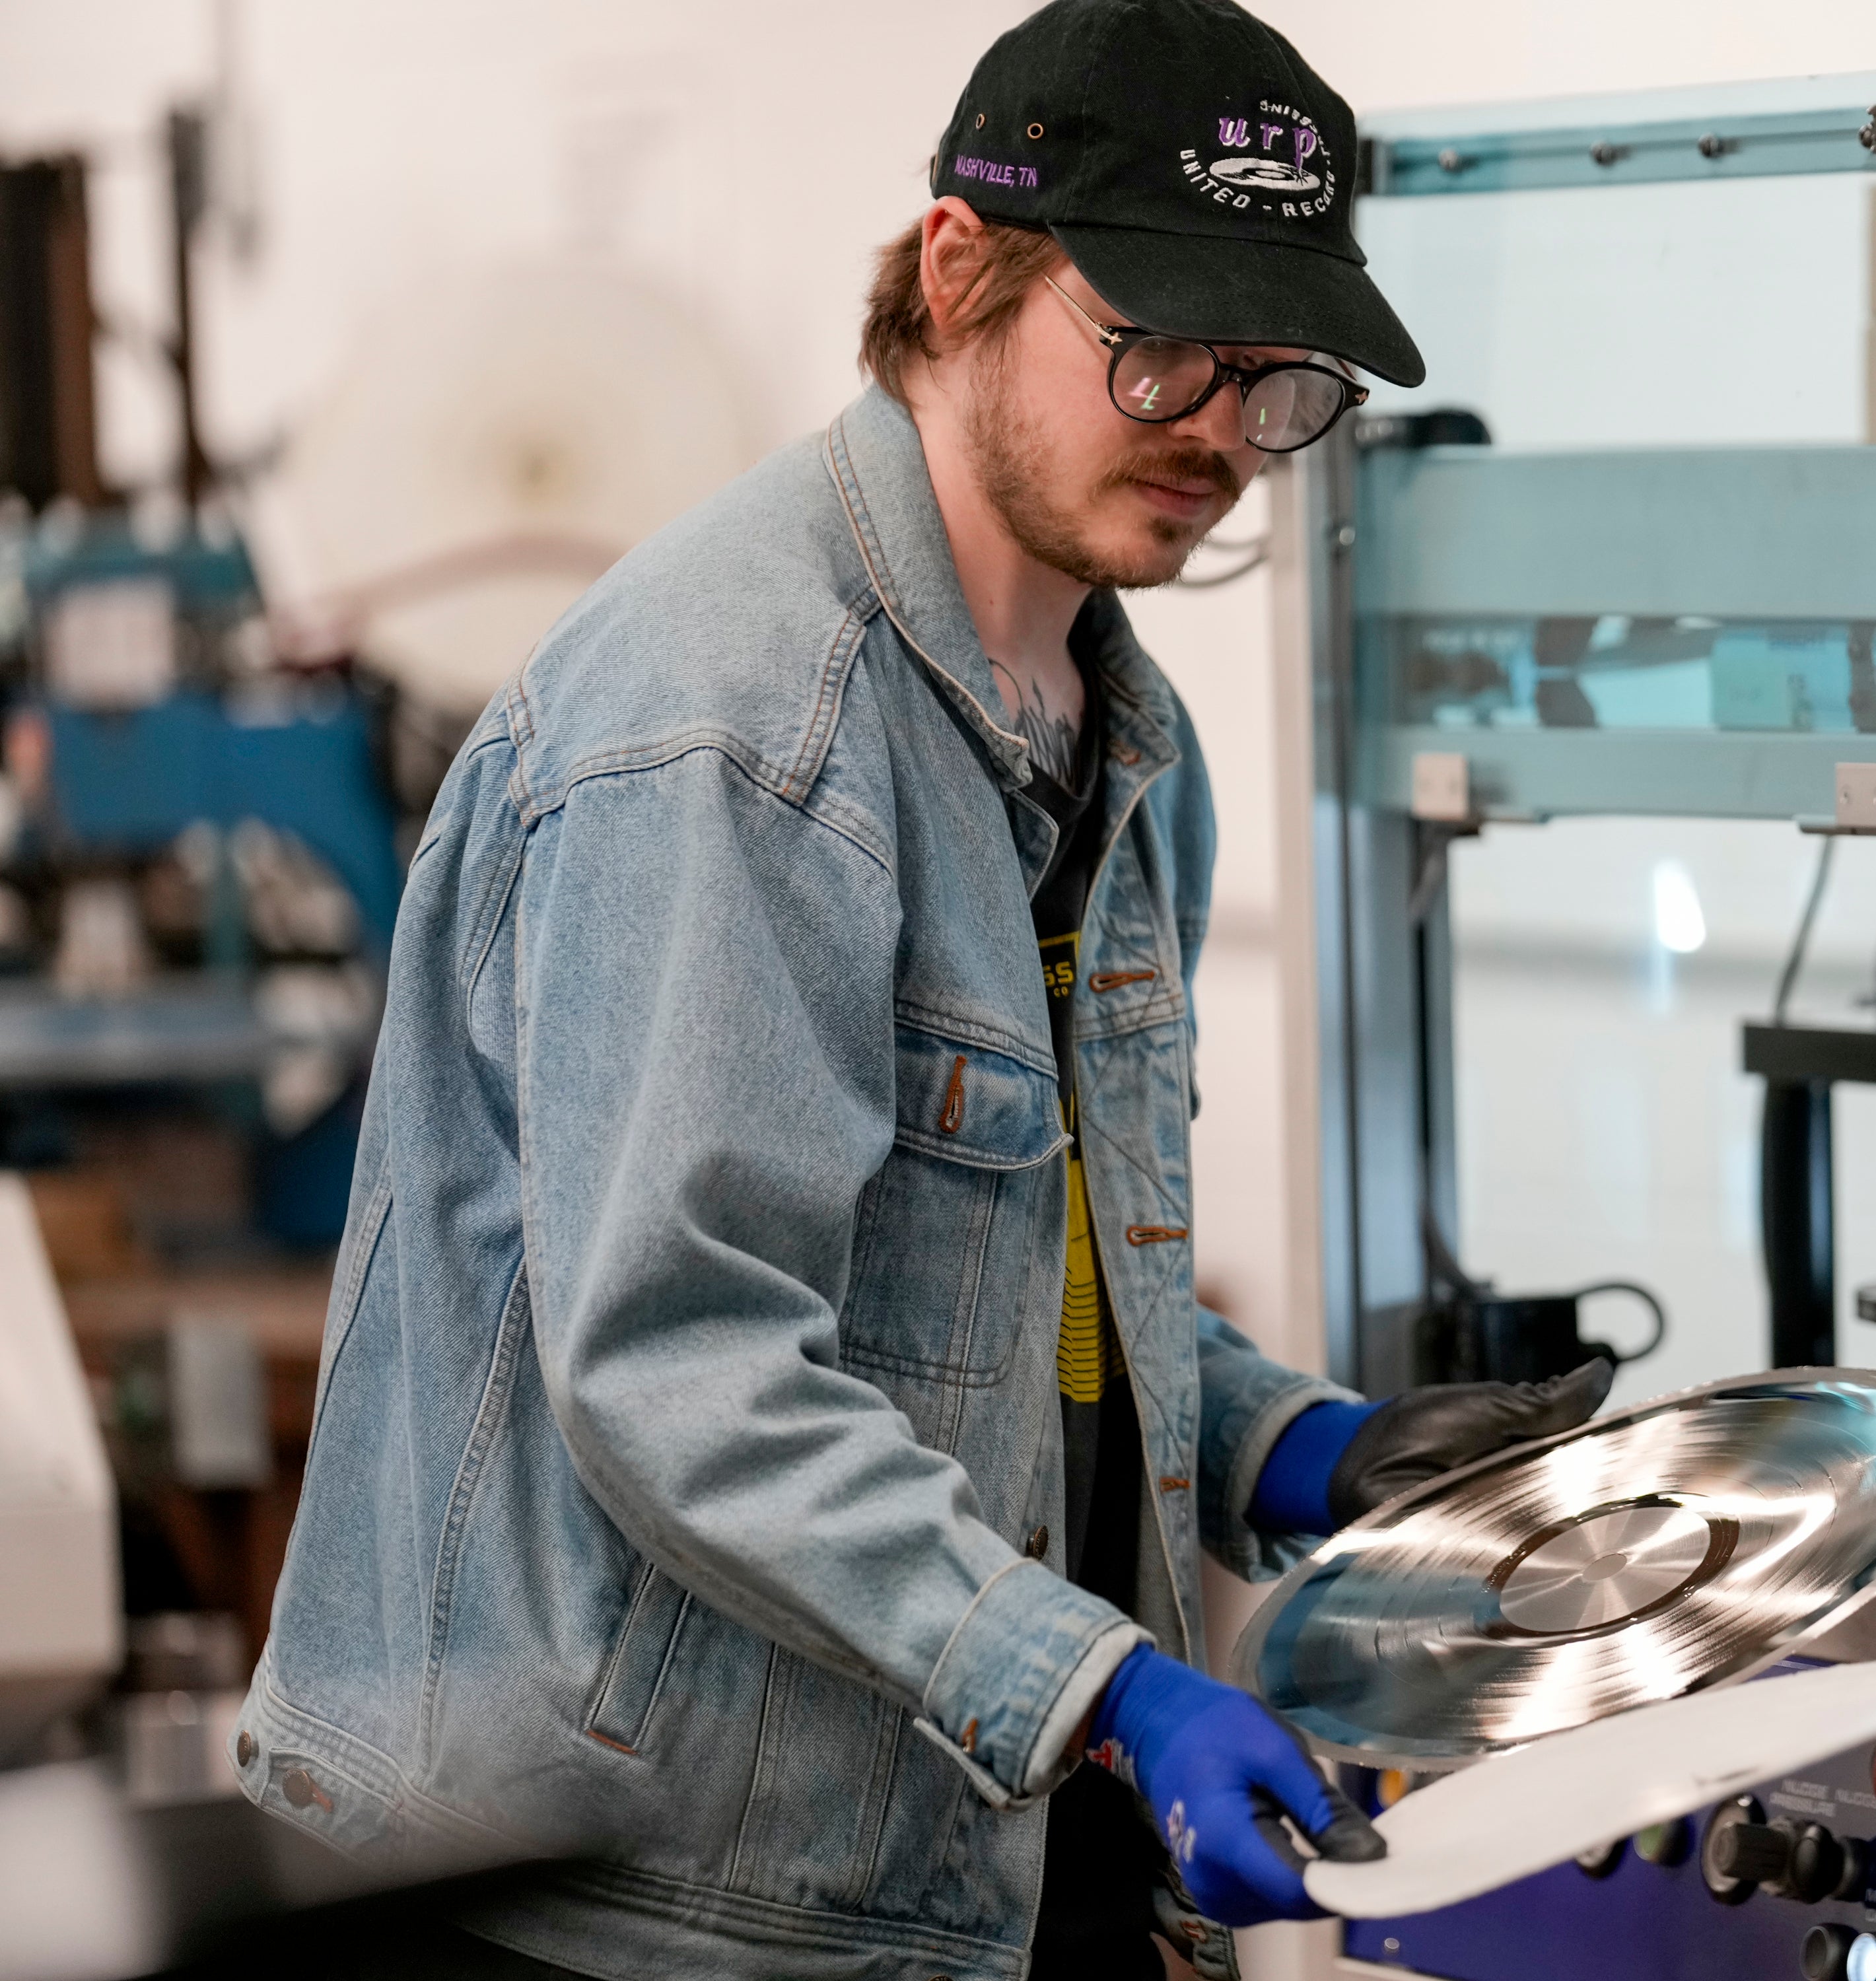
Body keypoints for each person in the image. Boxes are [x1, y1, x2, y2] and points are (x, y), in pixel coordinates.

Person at [234, 3, 1611, 1975]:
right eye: (1161, 350)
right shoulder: (734, 728)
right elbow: (684, 1365)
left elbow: (1014, 1285)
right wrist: (1110, 1689)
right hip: (641, 1905)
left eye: (1277, 380)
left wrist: (1297, 1451)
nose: (1221, 434)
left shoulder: (1128, 745)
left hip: (971, 1841)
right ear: (960, 272)